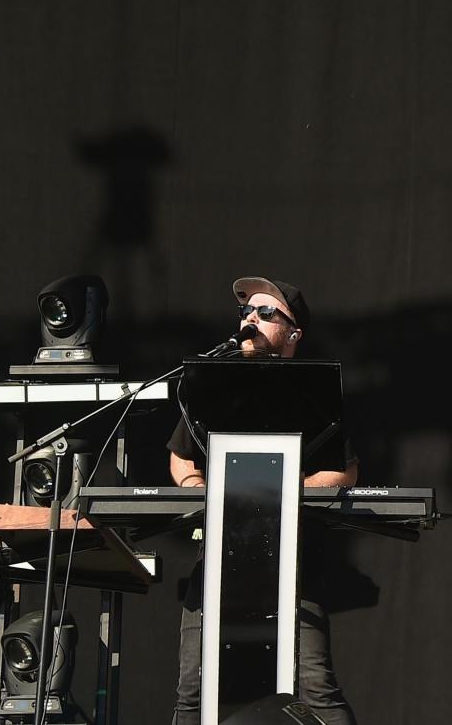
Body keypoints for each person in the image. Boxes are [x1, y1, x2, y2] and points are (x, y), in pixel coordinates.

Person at [169, 276, 360, 725]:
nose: (250, 319)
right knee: (192, 692)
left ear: (294, 333)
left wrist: (278, 495)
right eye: (245, 312)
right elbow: (181, 457)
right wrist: (201, 490)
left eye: (266, 312)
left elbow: (345, 470)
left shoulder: (313, 393)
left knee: (316, 689)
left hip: (292, 563)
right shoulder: (215, 383)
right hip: (218, 558)